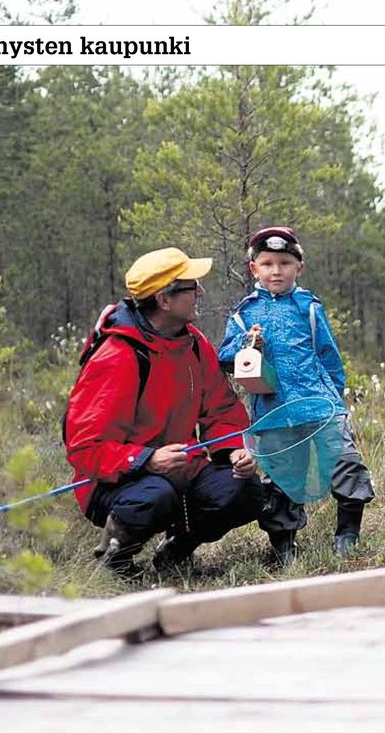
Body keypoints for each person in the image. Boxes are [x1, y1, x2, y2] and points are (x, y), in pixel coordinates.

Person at [65, 247, 263, 578]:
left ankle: (176, 551)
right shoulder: (116, 357)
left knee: (244, 489)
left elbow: (222, 409)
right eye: (191, 286)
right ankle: (113, 564)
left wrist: (233, 452)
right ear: (164, 300)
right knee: (155, 495)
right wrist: (145, 460)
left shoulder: (195, 343)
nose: (199, 292)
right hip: (116, 483)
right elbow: (85, 449)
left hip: (181, 471)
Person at [218, 226, 374, 564]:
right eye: (268, 263)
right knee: (281, 478)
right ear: (254, 268)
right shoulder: (243, 314)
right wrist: (247, 345)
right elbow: (225, 358)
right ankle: (283, 547)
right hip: (275, 412)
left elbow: (329, 355)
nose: (277, 270)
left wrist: (336, 401)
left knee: (345, 464)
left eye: (285, 262)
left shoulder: (310, 307)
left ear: (298, 267)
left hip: (321, 407)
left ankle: (348, 534)